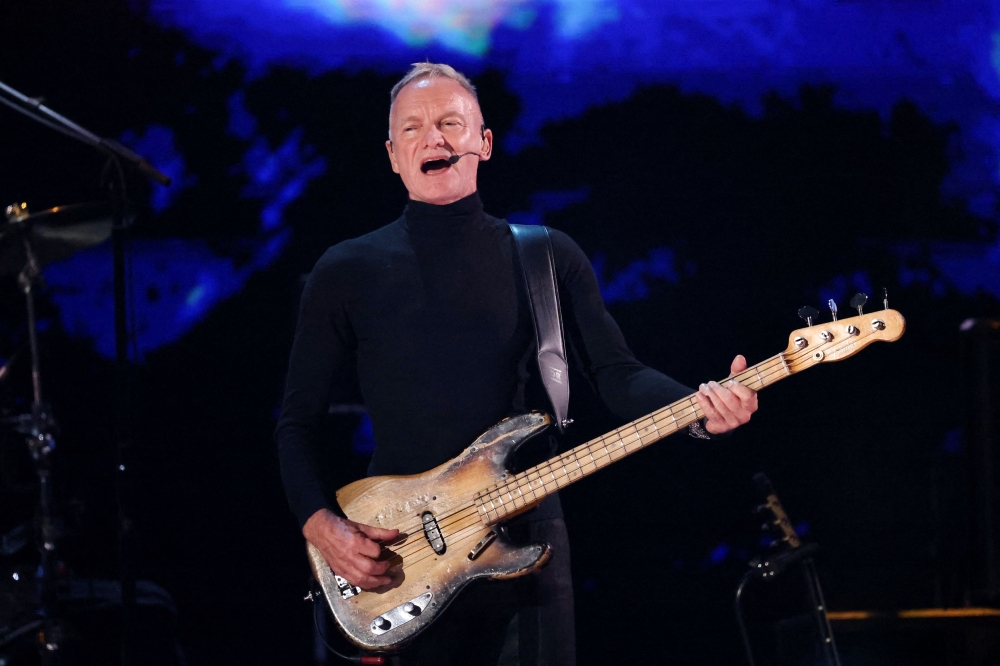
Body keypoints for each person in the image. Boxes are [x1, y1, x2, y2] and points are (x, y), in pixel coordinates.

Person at [275, 62, 758, 665]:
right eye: (415, 128)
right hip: (405, 550)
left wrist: (699, 409)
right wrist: (320, 523)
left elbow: (617, 373)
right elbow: (296, 422)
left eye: (452, 123)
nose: (436, 138)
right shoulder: (345, 270)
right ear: (393, 154)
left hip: (528, 537)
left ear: (484, 142)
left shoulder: (546, 256)